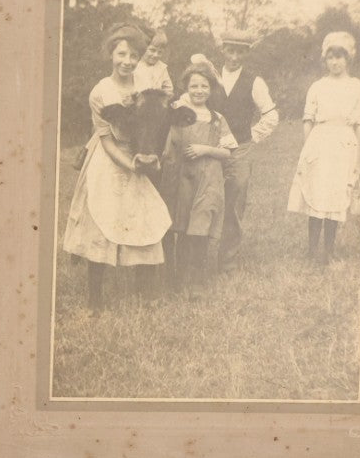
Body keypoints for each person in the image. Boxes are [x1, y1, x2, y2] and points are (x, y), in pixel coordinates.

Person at [61, 23, 172, 308]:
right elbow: (107, 140)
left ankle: (145, 291)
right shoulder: (101, 91)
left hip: (140, 153)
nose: (128, 61)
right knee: (102, 220)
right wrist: (131, 165)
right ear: (111, 53)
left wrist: (151, 155)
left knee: (144, 217)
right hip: (110, 159)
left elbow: (158, 121)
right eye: (122, 53)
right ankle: (95, 298)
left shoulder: (146, 82)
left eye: (134, 55)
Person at [288, 31, 360, 263]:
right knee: (317, 192)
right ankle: (312, 250)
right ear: (325, 60)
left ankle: (330, 250)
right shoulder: (317, 86)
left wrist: (358, 157)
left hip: (344, 143)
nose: (335, 62)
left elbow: (359, 125)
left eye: (340, 57)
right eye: (331, 57)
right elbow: (308, 119)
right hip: (319, 142)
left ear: (348, 59)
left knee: (335, 196)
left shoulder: (358, 88)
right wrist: (308, 149)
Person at [161, 65, 238, 284]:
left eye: (204, 86)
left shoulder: (217, 118)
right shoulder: (178, 115)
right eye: (193, 85)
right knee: (183, 228)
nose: (199, 90)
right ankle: (177, 278)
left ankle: (197, 281)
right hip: (184, 180)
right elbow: (168, 146)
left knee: (200, 228)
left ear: (211, 89)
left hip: (209, 181)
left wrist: (205, 150)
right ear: (186, 87)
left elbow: (228, 152)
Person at [214, 32, 280, 265]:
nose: (234, 56)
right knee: (207, 198)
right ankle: (201, 254)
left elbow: (271, 115)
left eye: (240, 52)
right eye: (230, 51)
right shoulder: (211, 77)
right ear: (223, 50)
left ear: (246, 53)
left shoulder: (254, 81)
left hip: (240, 149)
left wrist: (251, 136)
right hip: (212, 148)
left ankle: (227, 258)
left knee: (234, 199)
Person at [134, 31, 174, 96]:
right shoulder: (135, 66)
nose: (156, 55)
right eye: (152, 50)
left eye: (160, 52)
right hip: (139, 101)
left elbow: (168, 88)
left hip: (156, 102)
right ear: (143, 48)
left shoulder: (162, 68)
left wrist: (165, 95)